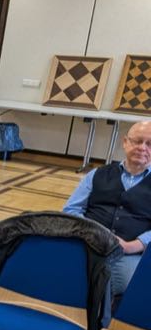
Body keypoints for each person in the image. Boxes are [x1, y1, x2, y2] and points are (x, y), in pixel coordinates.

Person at [64, 120, 151, 304]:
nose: (142, 148)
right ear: (125, 142)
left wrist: (133, 245)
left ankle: (98, 325)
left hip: (128, 253)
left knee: (120, 282)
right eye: (137, 141)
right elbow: (72, 209)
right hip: (87, 243)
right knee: (61, 269)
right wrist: (91, 234)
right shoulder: (97, 174)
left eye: (150, 144)